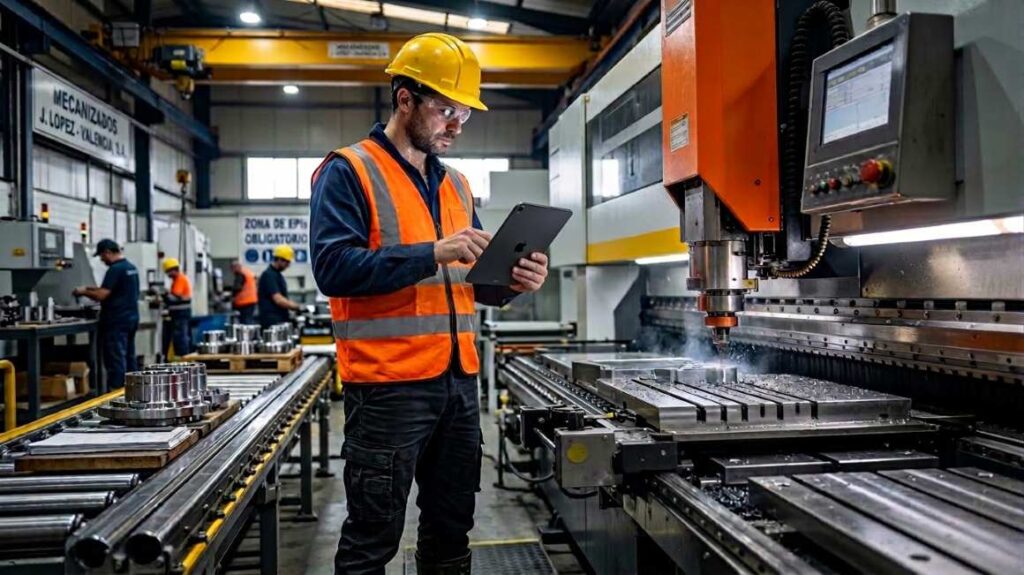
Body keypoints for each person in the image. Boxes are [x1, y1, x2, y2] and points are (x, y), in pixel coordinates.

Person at [309, 33, 549, 575]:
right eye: (445, 110)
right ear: (404, 99)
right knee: (373, 537)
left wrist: (515, 282)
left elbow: (478, 285)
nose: (456, 125)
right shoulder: (349, 170)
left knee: (451, 528)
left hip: (458, 385)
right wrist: (433, 251)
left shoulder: (458, 186)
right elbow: (334, 269)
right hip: (389, 388)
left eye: (463, 113)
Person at [73, 239, 140, 389]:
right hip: (131, 319)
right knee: (129, 357)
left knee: (116, 360)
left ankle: (116, 394)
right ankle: (134, 392)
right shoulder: (131, 267)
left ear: (108, 252)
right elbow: (109, 289)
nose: (102, 260)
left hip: (116, 321)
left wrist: (83, 292)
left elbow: (102, 294)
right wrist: (88, 288)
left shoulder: (115, 269)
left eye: (102, 256)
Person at [257, 244, 303, 328]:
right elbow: (278, 300)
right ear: (279, 259)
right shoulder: (269, 275)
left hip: (279, 319)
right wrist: (298, 307)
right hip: (272, 322)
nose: (288, 265)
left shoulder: (277, 275)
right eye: (287, 262)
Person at [162, 257, 193, 358]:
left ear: (173, 270)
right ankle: (182, 356)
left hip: (180, 313)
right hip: (180, 313)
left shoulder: (180, 279)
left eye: (168, 272)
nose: (168, 275)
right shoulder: (178, 279)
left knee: (180, 337)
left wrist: (164, 294)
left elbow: (174, 298)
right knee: (181, 336)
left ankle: (182, 357)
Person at [230, 260, 258, 324]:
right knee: (248, 321)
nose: (232, 271)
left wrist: (230, 296)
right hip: (251, 301)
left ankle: (246, 334)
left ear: (236, 267)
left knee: (245, 323)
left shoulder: (240, 274)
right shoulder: (247, 272)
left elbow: (237, 288)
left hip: (244, 302)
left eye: (232, 268)